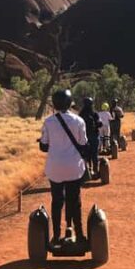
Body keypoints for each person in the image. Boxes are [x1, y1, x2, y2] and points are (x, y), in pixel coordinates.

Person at [40, 89, 88, 244]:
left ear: (54, 104)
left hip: (55, 168)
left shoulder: (48, 122)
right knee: (75, 200)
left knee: (57, 200)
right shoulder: (79, 121)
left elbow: (44, 146)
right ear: (70, 103)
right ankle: (79, 234)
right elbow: (82, 143)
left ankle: (56, 236)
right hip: (73, 167)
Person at [79, 97, 101, 179]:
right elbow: (100, 123)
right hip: (94, 136)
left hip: (84, 137)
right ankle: (96, 170)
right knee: (94, 154)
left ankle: (87, 170)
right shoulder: (94, 113)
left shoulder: (81, 114)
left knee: (86, 154)